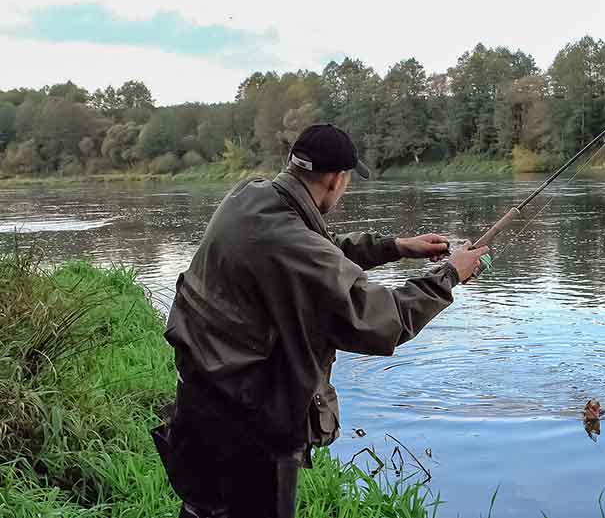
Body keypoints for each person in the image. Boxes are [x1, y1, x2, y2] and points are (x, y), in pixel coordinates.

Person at [152, 123, 489, 518]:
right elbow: (380, 319)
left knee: (202, 509)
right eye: (347, 181)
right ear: (335, 179)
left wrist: (395, 247)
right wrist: (449, 276)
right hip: (250, 425)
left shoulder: (250, 198)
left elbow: (316, 254)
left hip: (201, 397)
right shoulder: (292, 242)